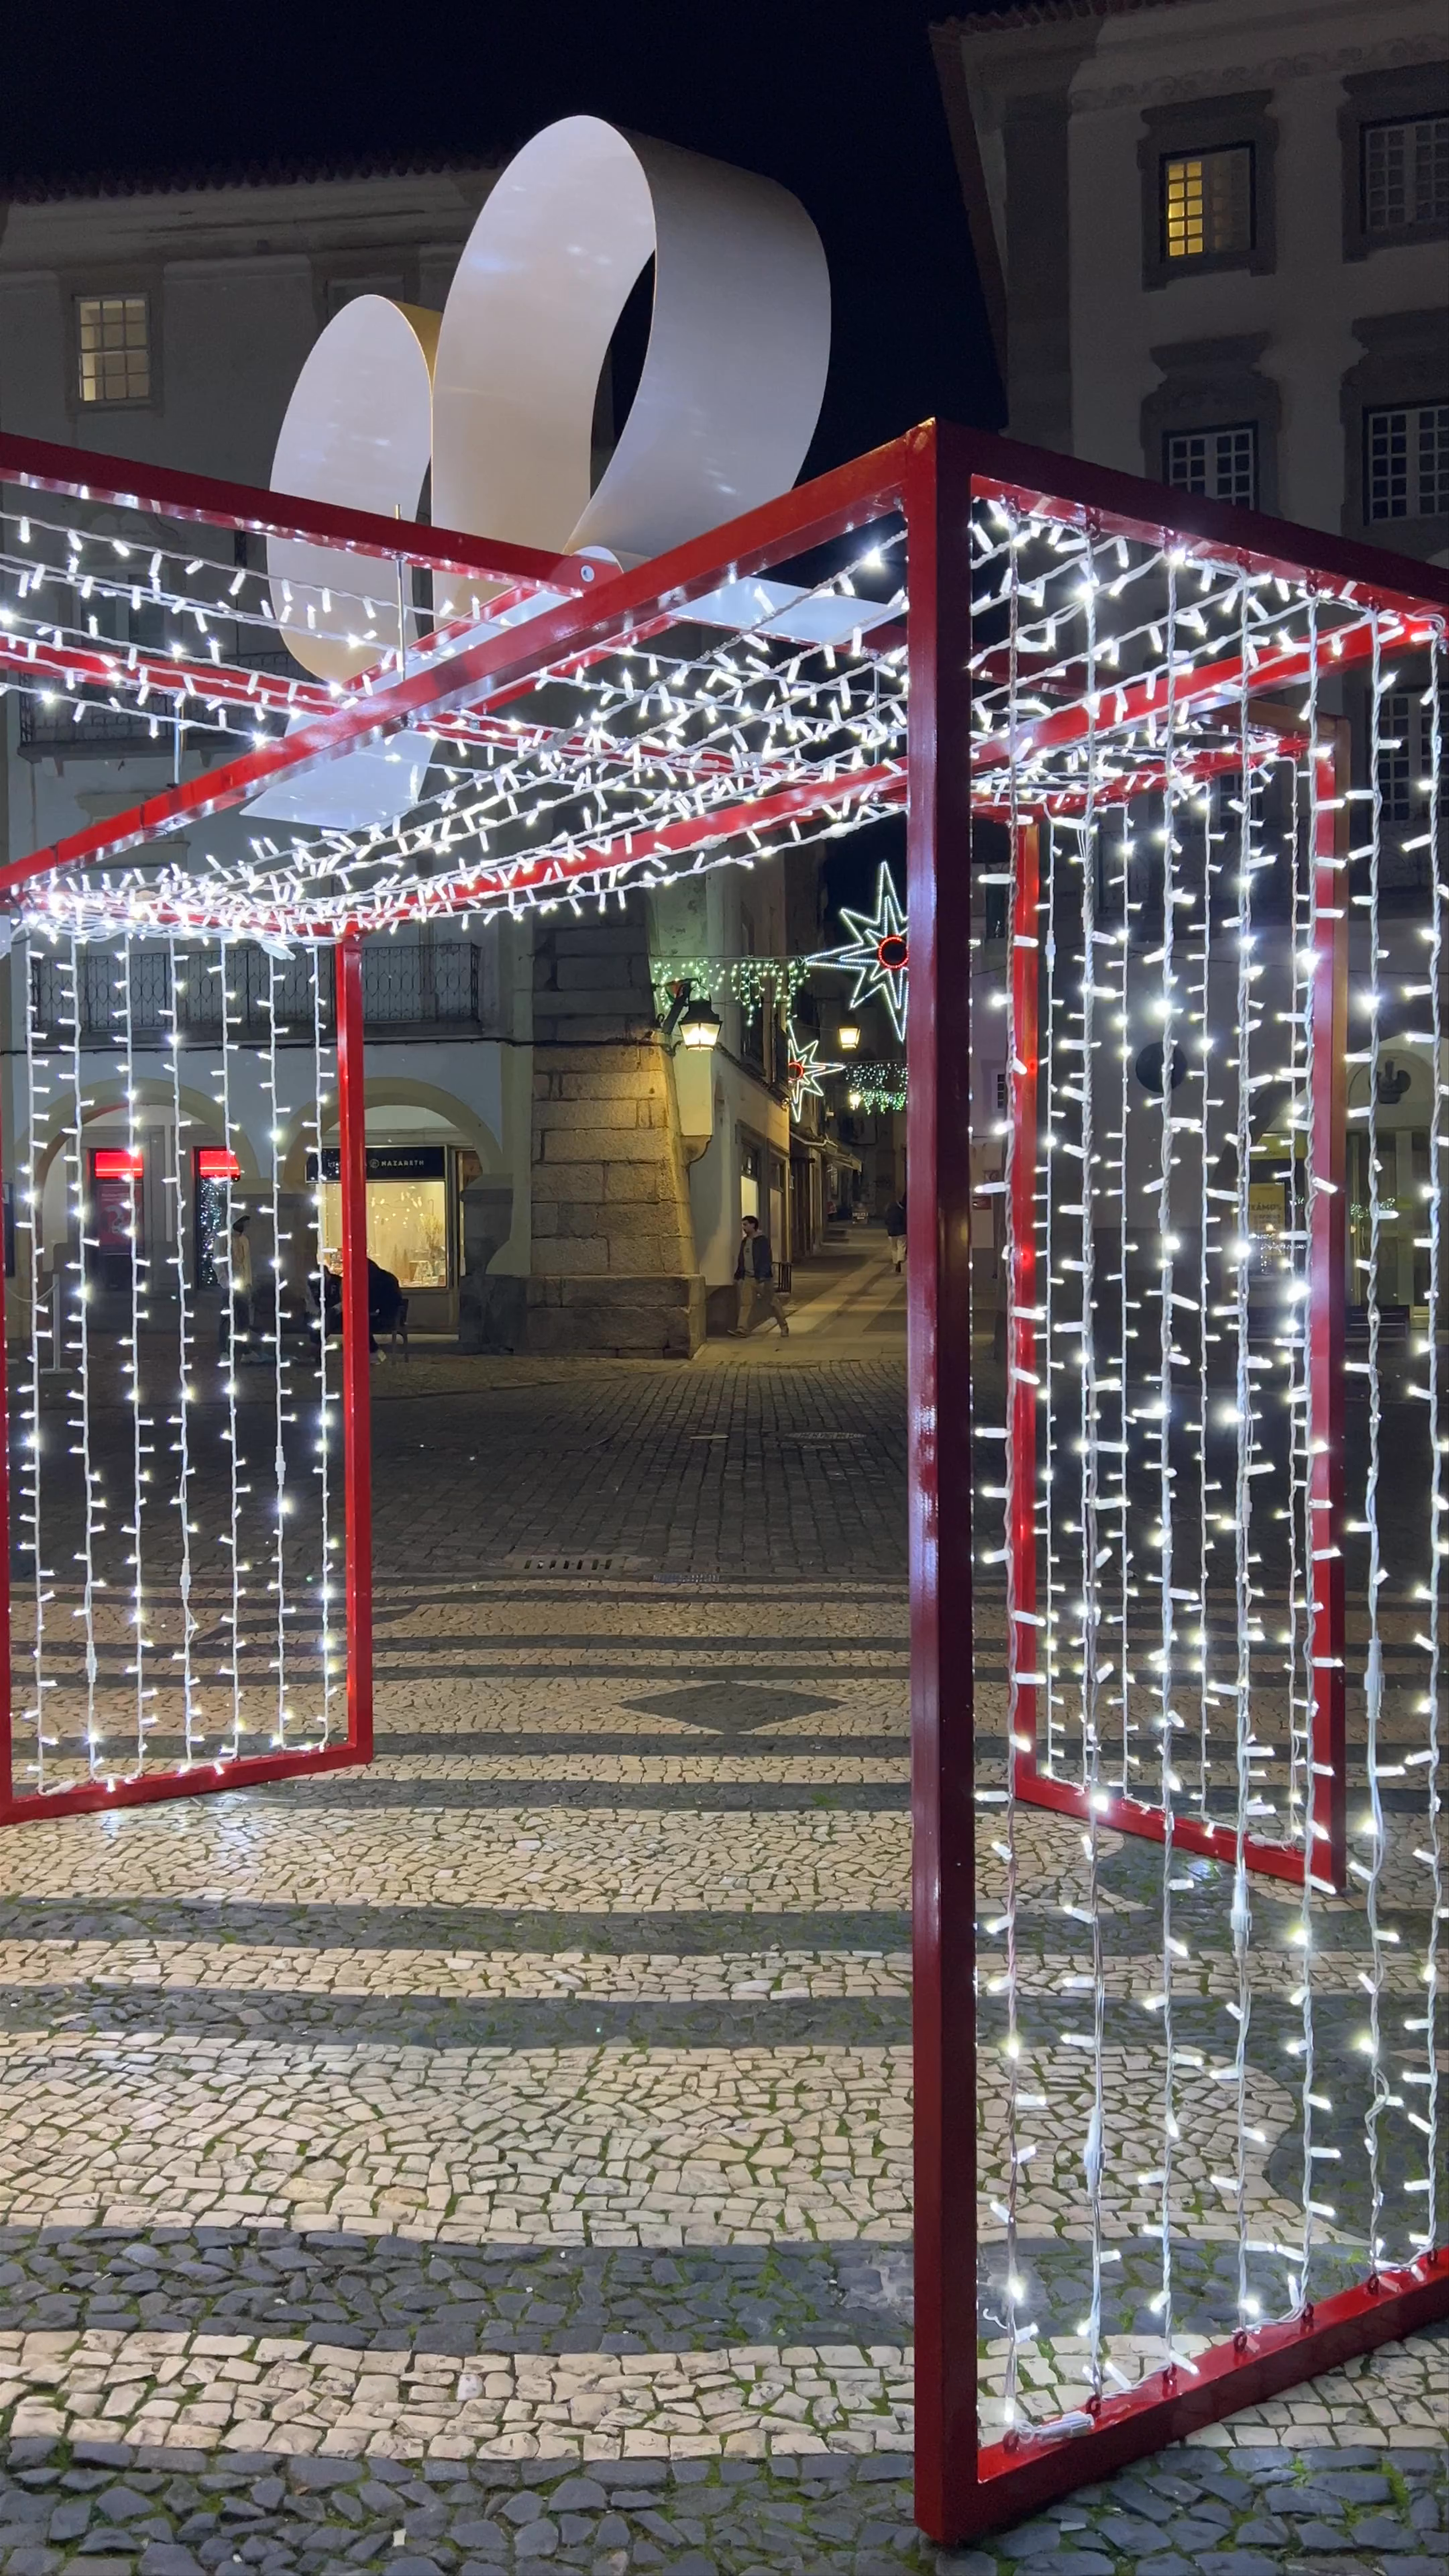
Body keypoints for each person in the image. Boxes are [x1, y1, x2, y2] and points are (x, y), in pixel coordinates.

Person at [731, 1212, 789, 1337]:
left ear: (753, 1225)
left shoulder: (762, 1241)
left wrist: (763, 1276)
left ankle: (783, 1326)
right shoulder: (745, 1242)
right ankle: (742, 1329)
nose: (744, 1228)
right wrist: (738, 1276)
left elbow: (766, 1259)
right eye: (743, 1225)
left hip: (762, 1278)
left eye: (746, 1225)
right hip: (748, 1277)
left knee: (772, 1303)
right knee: (746, 1304)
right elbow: (742, 1260)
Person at [224, 1211, 254, 1357]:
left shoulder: (245, 1240)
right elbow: (219, 1264)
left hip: (243, 1286)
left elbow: (247, 1264)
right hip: (229, 1286)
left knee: (244, 1319)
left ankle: (244, 1349)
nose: (243, 1225)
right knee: (227, 1319)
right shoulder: (223, 1240)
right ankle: (225, 1350)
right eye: (241, 1222)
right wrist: (225, 1283)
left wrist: (249, 1283)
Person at [885, 1193, 907, 1274]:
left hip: (892, 1232)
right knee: (902, 1246)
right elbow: (905, 1221)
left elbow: (886, 1222)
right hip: (902, 1232)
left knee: (894, 1248)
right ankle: (900, 1261)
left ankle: (895, 1262)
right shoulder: (902, 1211)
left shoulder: (889, 1212)